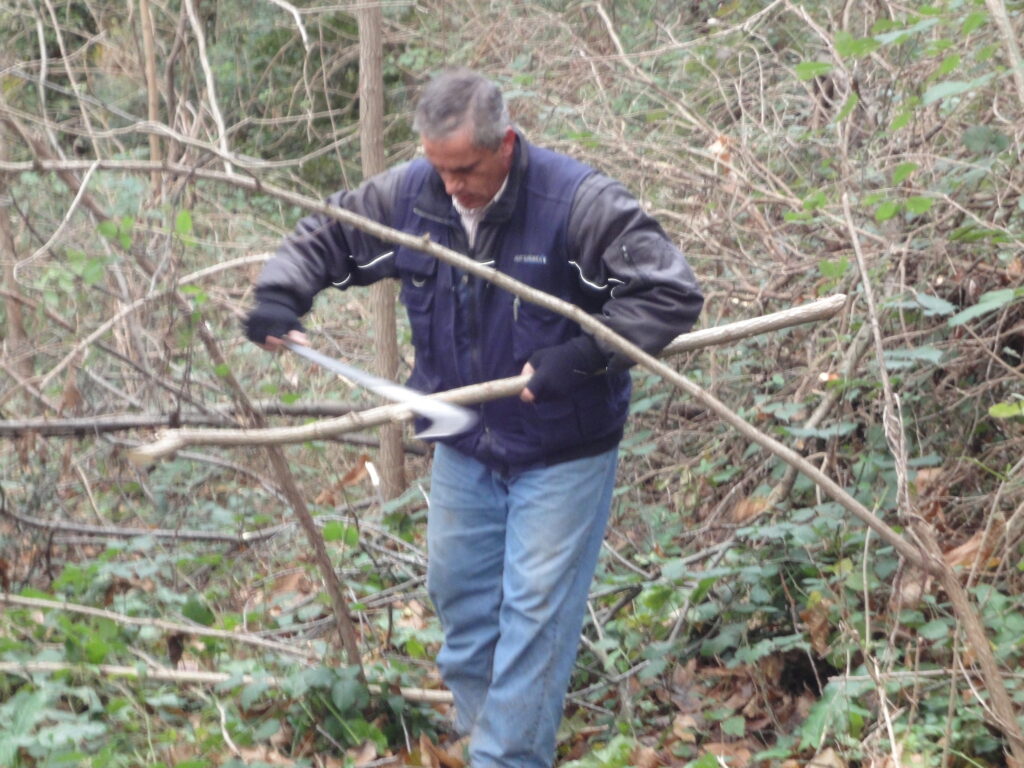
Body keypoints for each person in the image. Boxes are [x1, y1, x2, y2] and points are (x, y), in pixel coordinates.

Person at [245, 69, 703, 768]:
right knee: (459, 597)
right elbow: (329, 236)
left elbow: (669, 292)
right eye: (439, 168)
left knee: (533, 616)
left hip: (563, 449)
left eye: (466, 169)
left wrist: (582, 356)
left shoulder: (575, 201)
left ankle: (507, 757)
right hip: (465, 442)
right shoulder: (412, 194)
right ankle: (482, 731)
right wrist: (282, 294)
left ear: (506, 146)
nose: (452, 186)